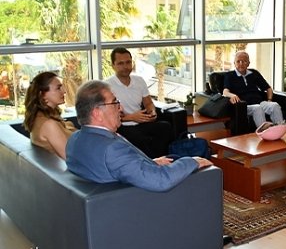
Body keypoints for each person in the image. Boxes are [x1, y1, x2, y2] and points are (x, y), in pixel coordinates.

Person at [66, 80, 212, 192]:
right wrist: (192, 161)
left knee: (171, 157)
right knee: (194, 167)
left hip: (113, 199)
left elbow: (122, 169)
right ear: (97, 113)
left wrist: (150, 163)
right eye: (115, 102)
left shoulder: (75, 139)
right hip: (139, 203)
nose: (121, 108)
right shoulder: (112, 149)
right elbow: (160, 181)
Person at [106, 47, 173, 158]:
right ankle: (153, 162)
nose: (125, 66)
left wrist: (152, 112)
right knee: (138, 137)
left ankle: (162, 160)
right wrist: (131, 117)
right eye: (120, 63)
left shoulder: (139, 81)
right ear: (113, 65)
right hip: (122, 126)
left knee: (165, 127)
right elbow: (107, 115)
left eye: (128, 62)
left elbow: (148, 103)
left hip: (141, 122)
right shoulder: (107, 86)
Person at [23, 71, 77, 159]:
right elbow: (71, 158)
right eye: (58, 88)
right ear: (42, 94)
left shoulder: (44, 117)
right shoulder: (48, 124)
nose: (64, 91)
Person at [223, 51, 284, 128]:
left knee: (274, 105)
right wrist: (232, 95)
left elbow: (268, 88)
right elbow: (225, 92)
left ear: (248, 63)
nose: (241, 63)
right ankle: (264, 130)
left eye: (244, 61)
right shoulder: (229, 75)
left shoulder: (254, 73)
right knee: (257, 108)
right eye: (238, 61)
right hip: (245, 106)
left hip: (259, 102)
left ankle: (280, 128)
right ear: (234, 63)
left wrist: (269, 99)